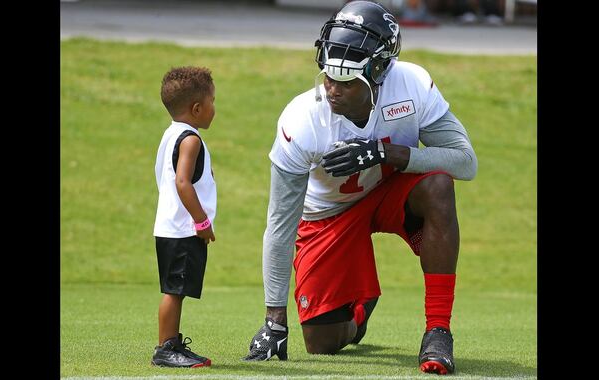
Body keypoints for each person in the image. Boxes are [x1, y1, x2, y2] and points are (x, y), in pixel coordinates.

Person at [242, 0, 477, 375]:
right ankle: (360, 307)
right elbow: (280, 223)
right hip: (326, 215)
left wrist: (388, 153)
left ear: (379, 72)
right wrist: (274, 320)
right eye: (329, 77)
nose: (333, 89)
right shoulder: (303, 119)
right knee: (322, 344)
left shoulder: (411, 84)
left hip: (387, 192)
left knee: (437, 186)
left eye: (347, 81)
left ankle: (438, 330)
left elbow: (465, 162)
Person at [151, 66, 217, 368]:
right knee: (174, 291)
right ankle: (165, 349)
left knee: (175, 288)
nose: (215, 108)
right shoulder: (190, 140)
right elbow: (182, 182)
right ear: (197, 108)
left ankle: (173, 343)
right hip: (182, 230)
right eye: (213, 101)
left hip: (169, 226)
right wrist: (201, 222)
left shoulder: (170, 134)